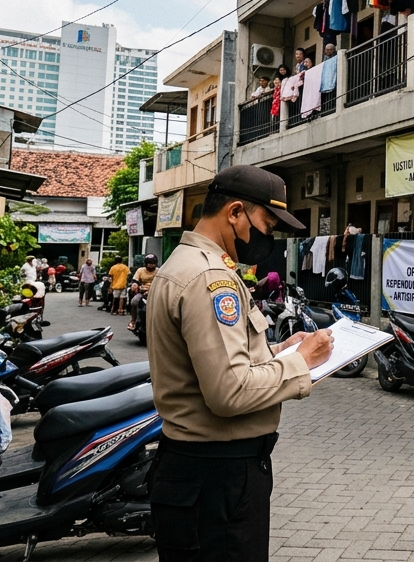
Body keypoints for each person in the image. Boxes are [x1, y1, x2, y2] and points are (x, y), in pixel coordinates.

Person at [147, 164, 333, 562]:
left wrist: (280, 351)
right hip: (217, 481)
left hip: (202, 475)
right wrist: (300, 362)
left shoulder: (186, 264)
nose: (267, 238)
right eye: (266, 225)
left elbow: (226, 363)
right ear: (234, 212)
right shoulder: (208, 277)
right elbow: (229, 392)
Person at [129, 254, 159, 332]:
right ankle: (133, 321)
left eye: (153, 263)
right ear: (146, 264)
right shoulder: (140, 270)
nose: (151, 265)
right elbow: (135, 280)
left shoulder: (159, 271)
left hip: (155, 293)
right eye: (149, 263)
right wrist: (134, 285)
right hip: (142, 293)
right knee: (134, 301)